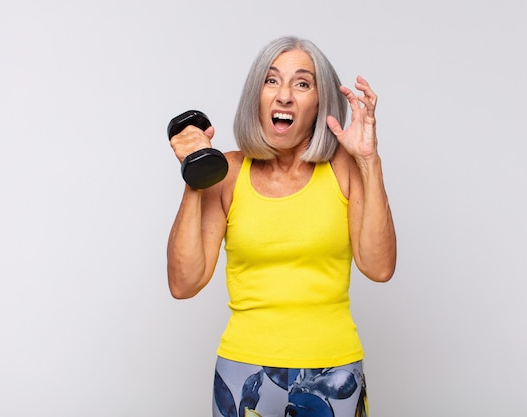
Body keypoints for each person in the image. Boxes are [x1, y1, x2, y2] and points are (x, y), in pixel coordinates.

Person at [167, 35, 396, 417]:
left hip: (334, 369)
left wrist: (369, 161)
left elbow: (379, 267)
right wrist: (197, 173)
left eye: (302, 83)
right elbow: (183, 283)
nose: (284, 95)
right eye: (272, 80)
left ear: (320, 103)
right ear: (256, 95)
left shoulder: (344, 168)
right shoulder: (228, 172)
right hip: (244, 370)